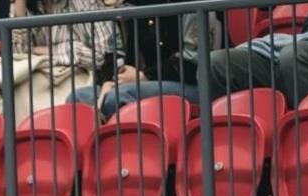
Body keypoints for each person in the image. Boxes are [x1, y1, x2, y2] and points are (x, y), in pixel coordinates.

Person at [0, 0, 121, 121]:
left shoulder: (84, 2)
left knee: (17, 89)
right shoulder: (29, 6)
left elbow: (104, 55)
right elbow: (19, 53)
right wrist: (20, 5)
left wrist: (51, 51)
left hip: (78, 76)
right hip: (40, 73)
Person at [66, 3, 220, 119]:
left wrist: (144, 76)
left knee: (117, 97)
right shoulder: (129, 5)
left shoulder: (193, 4)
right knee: (78, 98)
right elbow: (114, 53)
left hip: (195, 85)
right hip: (139, 82)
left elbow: (193, 63)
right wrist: (110, 80)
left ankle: (127, 151)